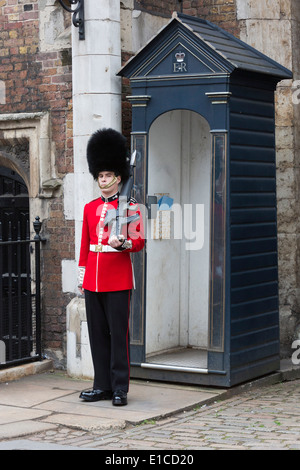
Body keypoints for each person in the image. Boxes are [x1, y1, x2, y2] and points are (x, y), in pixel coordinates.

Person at [78, 128, 144, 406]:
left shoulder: (131, 206)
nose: (103, 180)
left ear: (119, 177)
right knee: (97, 336)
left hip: (118, 279)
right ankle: (101, 385)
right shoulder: (90, 208)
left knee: (118, 336)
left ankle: (120, 388)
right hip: (93, 280)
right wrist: (82, 278)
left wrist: (124, 244)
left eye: (108, 175)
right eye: (100, 176)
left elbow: (139, 242)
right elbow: (84, 245)